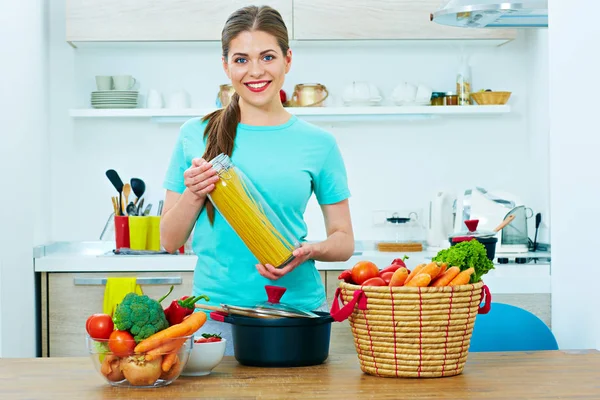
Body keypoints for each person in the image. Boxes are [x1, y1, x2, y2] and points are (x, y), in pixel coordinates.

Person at [160, 5, 354, 356]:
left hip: (296, 313)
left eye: (267, 56)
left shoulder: (319, 143)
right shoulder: (195, 134)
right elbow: (168, 239)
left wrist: (312, 250)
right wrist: (194, 193)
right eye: (241, 59)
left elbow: (344, 240)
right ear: (225, 65)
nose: (255, 71)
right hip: (214, 317)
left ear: (287, 59)